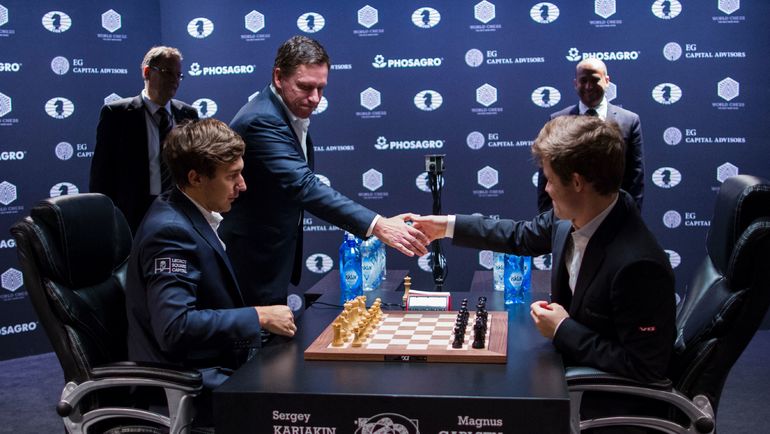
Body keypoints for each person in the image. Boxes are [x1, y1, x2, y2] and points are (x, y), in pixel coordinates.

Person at [412, 116, 675, 427]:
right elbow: (519, 236)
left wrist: (563, 328)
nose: (546, 189)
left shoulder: (638, 265)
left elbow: (647, 367)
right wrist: (446, 226)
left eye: (549, 179)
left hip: (603, 410)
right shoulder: (574, 215)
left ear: (577, 182)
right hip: (562, 374)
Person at [221, 35, 429, 307]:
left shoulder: (284, 112)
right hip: (252, 260)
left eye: (321, 88)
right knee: (258, 332)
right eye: (305, 87)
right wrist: (378, 225)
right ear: (278, 77)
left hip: (271, 255)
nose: (315, 98)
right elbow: (303, 186)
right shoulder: (262, 119)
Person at [124, 119, 295, 420]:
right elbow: (175, 327)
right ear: (196, 178)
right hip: (188, 384)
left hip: (213, 363)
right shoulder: (170, 233)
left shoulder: (186, 211)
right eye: (232, 176)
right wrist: (260, 316)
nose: (242, 185)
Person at [90, 46, 199, 233]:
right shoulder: (117, 114)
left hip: (181, 212)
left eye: (178, 75)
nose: (174, 80)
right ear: (147, 72)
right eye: (167, 72)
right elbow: (101, 174)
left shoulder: (188, 114)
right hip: (133, 217)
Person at [537, 57, 644, 213]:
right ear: (575, 83)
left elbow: (635, 179)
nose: (588, 86)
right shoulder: (557, 121)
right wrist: (552, 221)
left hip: (614, 217)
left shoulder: (629, 121)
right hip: (568, 219)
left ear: (607, 81)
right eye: (583, 80)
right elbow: (547, 177)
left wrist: (628, 219)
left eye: (594, 80)